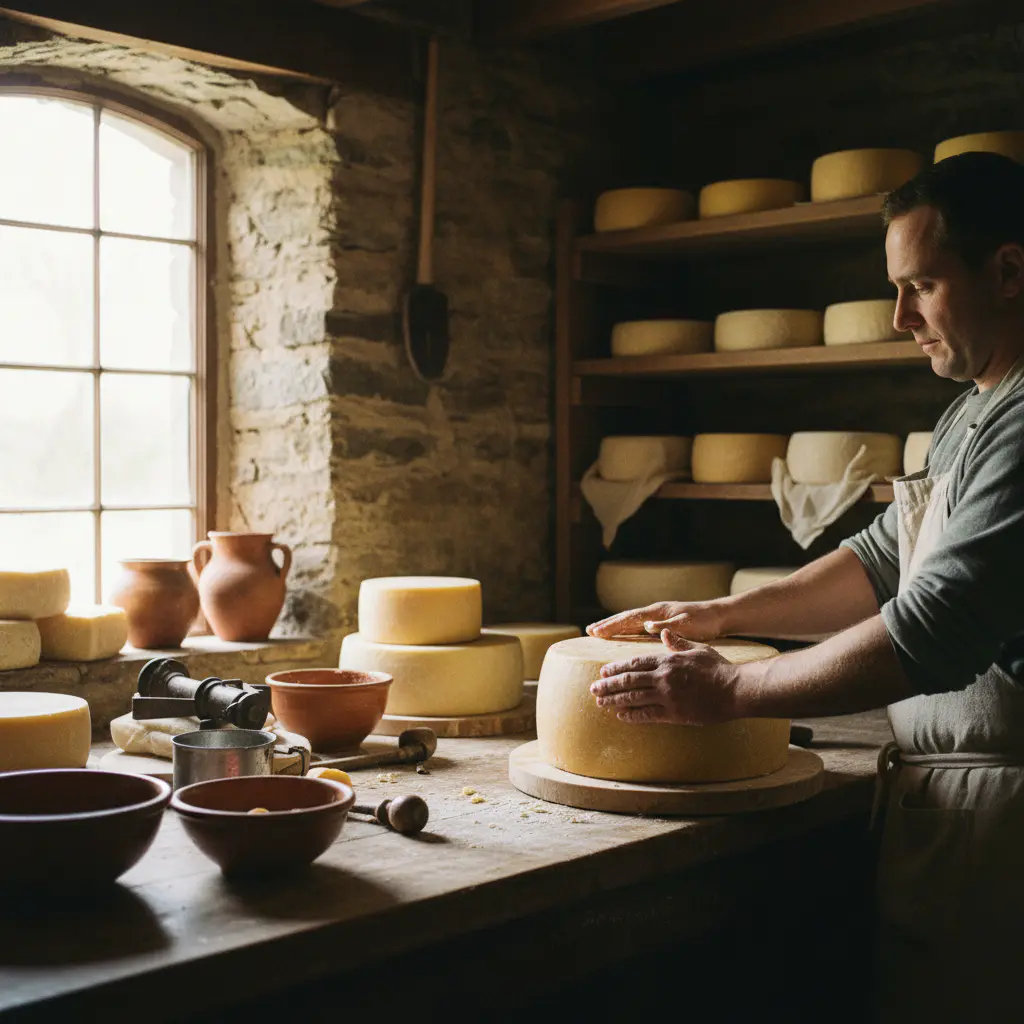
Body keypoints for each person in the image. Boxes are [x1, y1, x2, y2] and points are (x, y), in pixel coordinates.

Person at [586, 151, 1024, 1022]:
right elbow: (889, 558)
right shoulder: (973, 406)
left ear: (1010, 270)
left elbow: (937, 626)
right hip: (962, 802)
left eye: (922, 286)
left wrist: (733, 690)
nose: (900, 317)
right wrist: (723, 613)